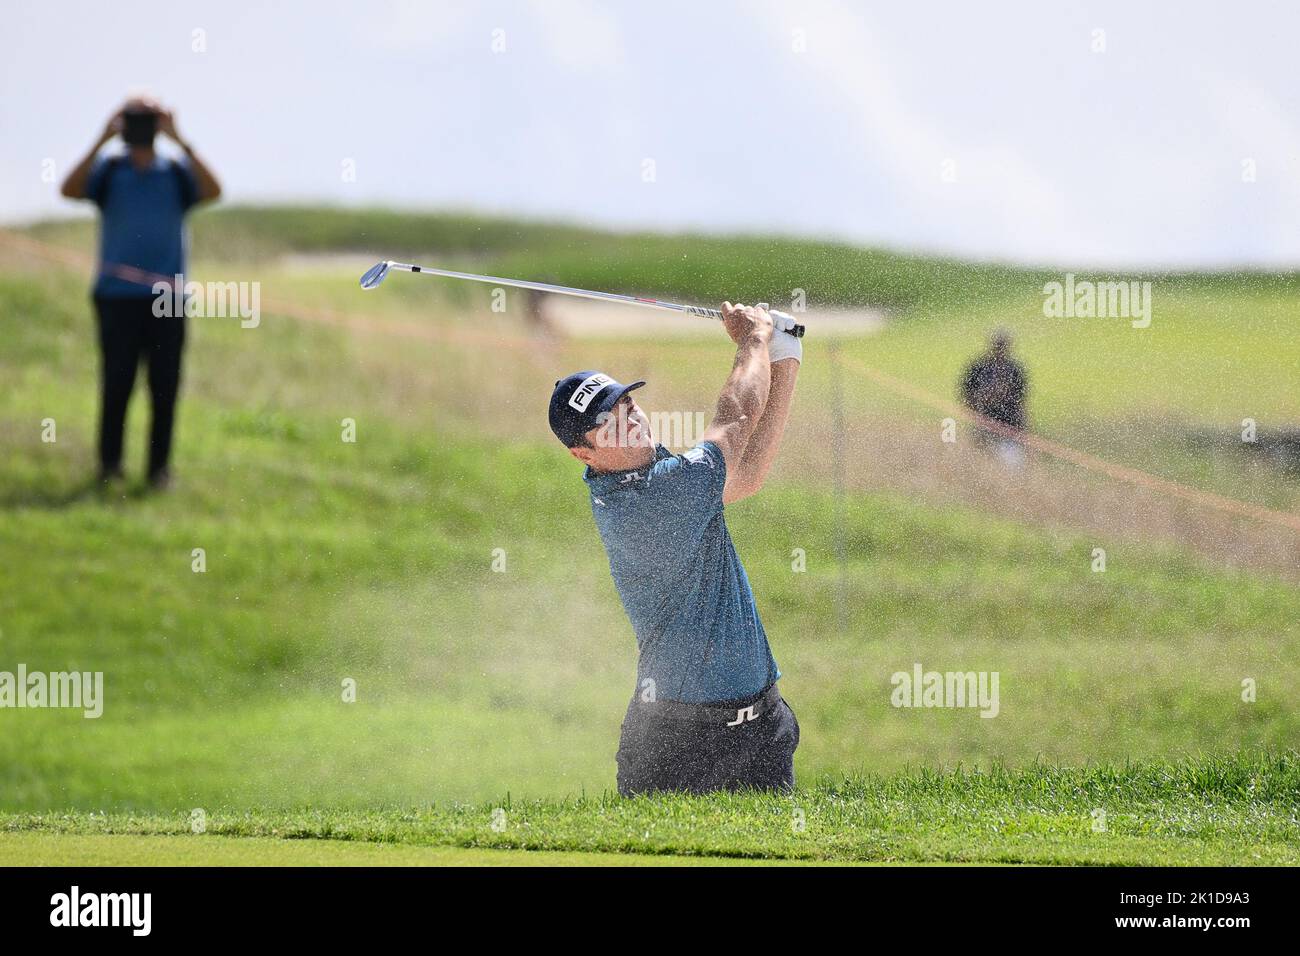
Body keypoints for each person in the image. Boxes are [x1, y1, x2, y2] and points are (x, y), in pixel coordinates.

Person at [548, 301, 802, 795]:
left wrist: (784, 356)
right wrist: (752, 341)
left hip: (761, 727)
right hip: (680, 743)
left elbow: (744, 476)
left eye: (626, 404)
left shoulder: (652, 473)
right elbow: (734, 420)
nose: (631, 418)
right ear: (584, 452)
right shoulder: (649, 501)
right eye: (609, 421)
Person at [60, 96, 221, 488]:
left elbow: (214, 190)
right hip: (115, 297)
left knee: (165, 385)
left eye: (147, 120)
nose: (141, 128)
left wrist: (180, 139)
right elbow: (68, 189)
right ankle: (109, 466)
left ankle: (158, 471)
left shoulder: (177, 173)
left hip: (168, 299)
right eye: (136, 120)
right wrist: (101, 139)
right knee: (117, 382)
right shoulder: (110, 170)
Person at [960, 329, 1028, 467]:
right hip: (985, 421)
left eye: (1003, 345)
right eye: (998, 345)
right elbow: (966, 394)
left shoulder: (1014, 370)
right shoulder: (979, 368)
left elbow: (1021, 401)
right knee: (983, 460)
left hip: (1010, 424)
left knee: (1011, 463)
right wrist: (975, 413)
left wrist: (1023, 426)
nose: (1000, 349)